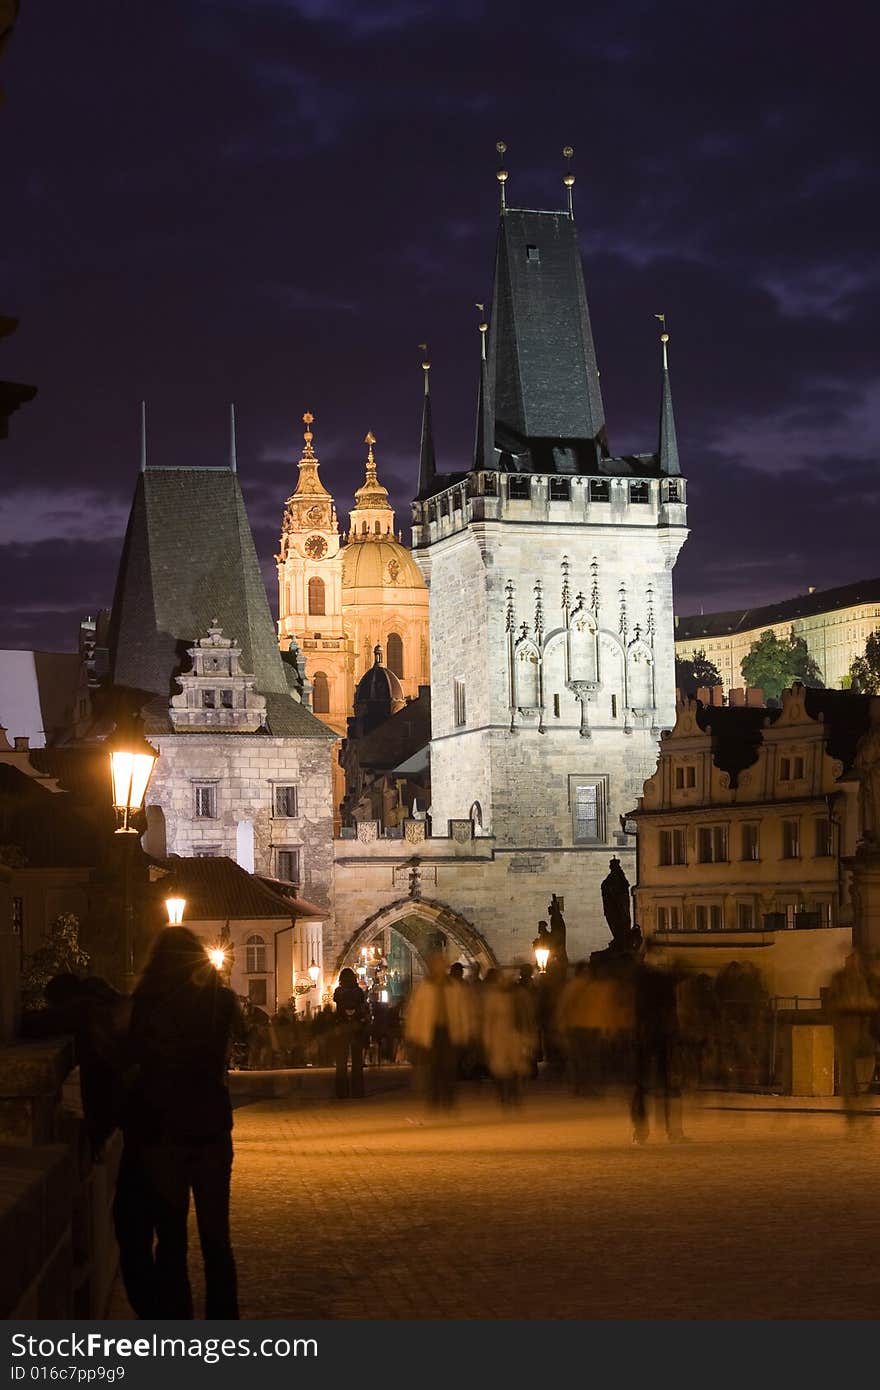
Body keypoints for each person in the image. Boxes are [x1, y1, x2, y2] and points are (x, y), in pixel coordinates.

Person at [124, 927, 242, 1319]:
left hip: (164, 1131)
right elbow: (239, 1041)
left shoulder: (146, 1004)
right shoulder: (221, 1001)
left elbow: (134, 1057)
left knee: (171, 1240)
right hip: (211, 1127)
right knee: (216, 1242)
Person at [630, 946, 686, 1144]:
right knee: (668, 1083)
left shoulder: (638, 981)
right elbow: (673, 1008)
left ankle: (641, 1130)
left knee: (641, 1085)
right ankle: (673, 1129)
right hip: (663, 1034)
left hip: (643, 1034)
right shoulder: (666, 981)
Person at [404, 953, 473, 1108]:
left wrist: (465, 1030)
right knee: (433, 1066)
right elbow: (416, 1011)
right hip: (431, 1031)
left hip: (449, 1030)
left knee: (449, 1066)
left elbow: (462, 1010)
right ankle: (434, 1097)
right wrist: (413, 1033)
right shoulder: (425, 987)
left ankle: (448, 1097)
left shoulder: (454, 987)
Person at [827, 951, 878, 1132]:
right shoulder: (839, 979)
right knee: (848, 1072)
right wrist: (852, 1004)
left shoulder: (862, 980)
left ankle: (860, 1106)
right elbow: (832, 1004)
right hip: (846, 1031)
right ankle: (852, 1111)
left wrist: (861, 1005)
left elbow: (871, 1002)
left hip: (862, 1030)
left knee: (866, 1069)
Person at [482, 970, 534, 1105]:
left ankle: (515, 1094)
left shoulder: (520, 997)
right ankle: (504, 1094)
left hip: (517, 1036)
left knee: (516, 1067)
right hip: (499, 1036)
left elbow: (527, 1017)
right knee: (501, 1068)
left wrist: (529, 1037)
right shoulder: (493, 998)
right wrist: (488, 1040)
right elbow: (489, 1020)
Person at [333, 967, 368, 1099]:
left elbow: (336, 1002)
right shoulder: (358, 991)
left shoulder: (338, 991)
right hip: (356, 1028)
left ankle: (341, 1092)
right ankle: (357, 1091)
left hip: (342, 1028)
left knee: (341, 1062)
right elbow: (362, 1006)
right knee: (357, 1061)